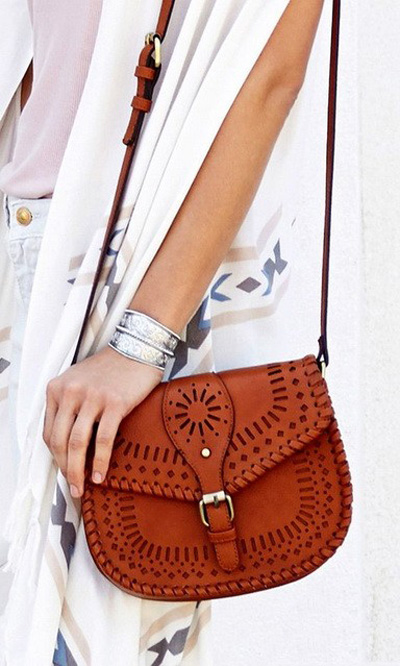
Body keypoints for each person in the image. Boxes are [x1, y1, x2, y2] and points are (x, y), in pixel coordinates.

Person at [0, 0, 327, 663]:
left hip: (127, 271)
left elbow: (271, 76)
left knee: (93, 636)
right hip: (21, 242)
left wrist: (141, 340)